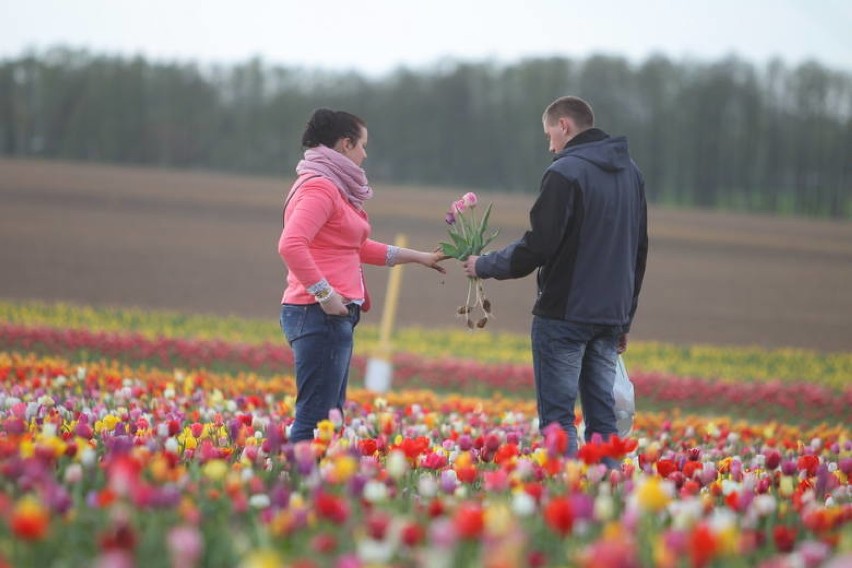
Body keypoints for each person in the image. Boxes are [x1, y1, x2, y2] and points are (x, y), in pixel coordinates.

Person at [463, 96, 648, 462]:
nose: (550, 145)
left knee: (557, 418)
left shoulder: (565, 172)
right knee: (604, 420)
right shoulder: (632, 174)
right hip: (610, 315)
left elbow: (539, 246)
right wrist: (625, 316)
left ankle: (562, 493)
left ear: (564, 125)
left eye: (550, 134)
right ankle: (605, 493)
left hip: (564, 313)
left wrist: (484, 265)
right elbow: (638, 250)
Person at [278, 108, 445, 443]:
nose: (365, 154)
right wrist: (326, 296)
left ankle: (309, 484)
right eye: (362, 145)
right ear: (345, 144)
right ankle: (298, 485)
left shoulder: (330, 188)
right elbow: (291, 245)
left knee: (330, 417)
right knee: (316, 419)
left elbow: (356, 246)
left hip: (328, 314)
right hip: (318, 313)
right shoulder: (321, 189)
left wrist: (419, 258)